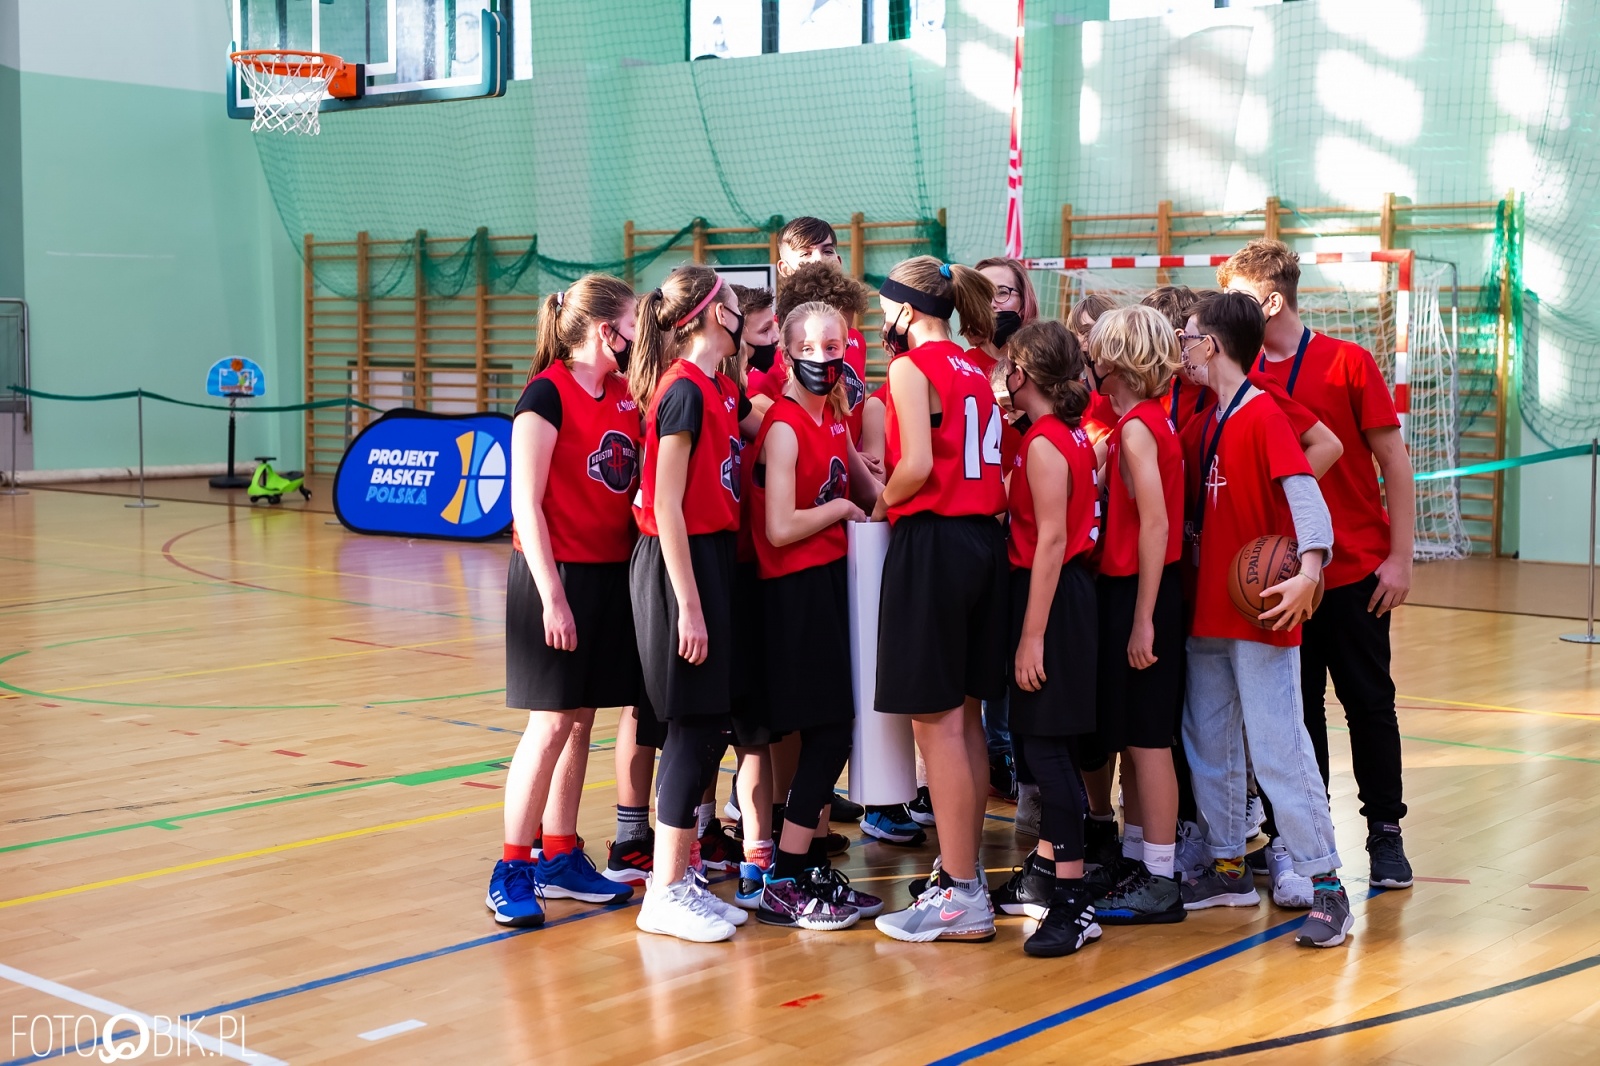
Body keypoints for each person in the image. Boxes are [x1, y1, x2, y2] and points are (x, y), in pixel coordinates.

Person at [1219, 240, 1416, 892]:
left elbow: (1395, 463)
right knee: (1295, 717)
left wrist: (1401, 558)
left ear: (1270, 300)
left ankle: (1385, 834)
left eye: (1237, 294)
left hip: (1356, 568)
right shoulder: (1237, 377)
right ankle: (1303, 845)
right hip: (1276, 578)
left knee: (1369, 704)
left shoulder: (1347, 363)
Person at [1177, 290, 1351, 949]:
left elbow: (1305, 497)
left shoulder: (1261, 413)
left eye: (1189, 336)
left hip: (1262, 609)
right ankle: (1227, 866)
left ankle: (1328, 884)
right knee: (1209, 740)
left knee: (1278, 747)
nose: (1184, 346)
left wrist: (1310, 570)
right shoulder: (1206, 418)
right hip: (1207, 609)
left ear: (1212, 345)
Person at [488, 274, 641, 927]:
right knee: (549, 724)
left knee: (581, 720)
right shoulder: (544, 396)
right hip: (554, 577)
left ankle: (560, 853)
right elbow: (525, 503)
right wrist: (553, 595)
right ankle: (511, 867)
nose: (642, 334)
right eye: (634, 322)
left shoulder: (623, 394)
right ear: (607, 331)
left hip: (608, 575)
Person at [867, 257, 1008, 944]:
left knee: (937, 725)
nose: (877, 321)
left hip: (936, 544)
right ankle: (966, 875)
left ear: (904, 310)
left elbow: (917, 466)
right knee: (968, 719)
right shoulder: (974, 369)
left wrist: (877, 499)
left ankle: (958, 892)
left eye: (880, 307)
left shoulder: (909, 368)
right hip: (984, 542)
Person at [747, 301, 886, 928]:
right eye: (811, 349)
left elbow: (865, 484)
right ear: (788, 353)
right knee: (827, 729)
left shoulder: (832, 414)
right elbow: (778, 528)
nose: (824, 360)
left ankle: (799, 868)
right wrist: (842, 512)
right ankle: (784, 874)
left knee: (830, 728)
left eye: (835, 349)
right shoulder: (782, 425)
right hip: (791, 593)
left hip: (827, 583)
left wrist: (894, 506)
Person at [629, 266, 755, 942]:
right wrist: (689, 605)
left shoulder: (716, 390)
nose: (742, 315)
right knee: (689, 728)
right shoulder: (683, 393)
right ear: (709, 316)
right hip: (678, 567)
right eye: (735, 304)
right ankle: (666, 890)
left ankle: (679, 880)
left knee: (707, 726)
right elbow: (665, 507)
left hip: (707, 562)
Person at [989, 321, 1105, 956]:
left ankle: (1072, 903)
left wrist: (1031, 636)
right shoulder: (1064, 436)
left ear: (1024, 374)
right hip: (1060, 597)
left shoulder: (1043, 443)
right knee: (1041, 751)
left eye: (1009, 367)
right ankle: (1042, 877)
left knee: (1051, 756)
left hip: (1053, 603)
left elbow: (1053, 540)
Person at [1072, 305, 1191, 926]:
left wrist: (1143, 616)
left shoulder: (1142, 428)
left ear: (1115, 358)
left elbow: (1155, 524)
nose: (1088, 355)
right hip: (1131, 590)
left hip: (1144, 592)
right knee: (1134, 737)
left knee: (1148, 740)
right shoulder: (1134, 423)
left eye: (1096, 348)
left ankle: (1162, 879)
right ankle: (1142, 858)